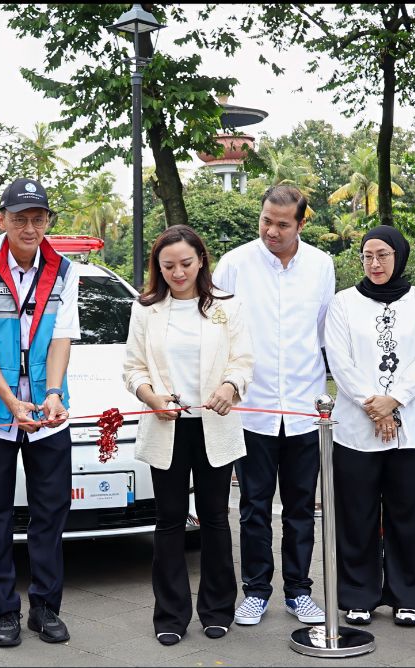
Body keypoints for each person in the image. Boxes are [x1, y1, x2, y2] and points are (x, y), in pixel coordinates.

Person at [0, 177, 79, 648]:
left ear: (47, 220)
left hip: (49, 411)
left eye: (38, 218)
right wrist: (10, 401)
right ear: (1, 220)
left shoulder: (64, 271)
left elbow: (62, 337)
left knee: (51, 511)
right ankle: (5, 611)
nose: (30, 228)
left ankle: (46, 608)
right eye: (20, 218)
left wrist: (51, 393)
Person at [123, 224, 254, 646]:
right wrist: (150, 396)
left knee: (215, 517)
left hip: (214, 425)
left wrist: (229, 387)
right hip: (167, 426)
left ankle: (217, 609)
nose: (177, 273)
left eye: (185, 263)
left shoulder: (227, 307)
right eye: (168, 266)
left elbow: (243, 361)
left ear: (201, 261)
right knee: (168, 520)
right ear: (157, 268)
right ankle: (171, 614)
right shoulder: (145, 309)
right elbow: (133, 369)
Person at [212, 184, 334, 627]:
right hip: (252, 408)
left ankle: (299, 591)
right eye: (267, 220)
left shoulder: (321, 266)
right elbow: (217, 329)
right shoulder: (235, 264)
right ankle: (257, 590)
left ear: (302, 223)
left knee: (302, 509)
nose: (272, 231)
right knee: (254, 507)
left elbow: (323, 333)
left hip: (304, 410)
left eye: (283, 224)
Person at [324, 225, 415, 627]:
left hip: (412, 430)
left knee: (408, 515)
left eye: (383, 255)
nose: (375, 264)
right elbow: (340, 361)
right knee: (355, 517)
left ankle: (407, 595)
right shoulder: (343, 303)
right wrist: (376, 407)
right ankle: (359, 595)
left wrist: (395, 402)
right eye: (367, 256)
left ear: (400, 255)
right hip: (356, 430)